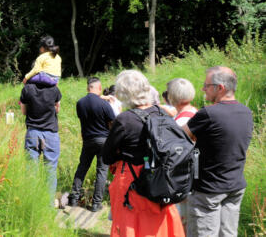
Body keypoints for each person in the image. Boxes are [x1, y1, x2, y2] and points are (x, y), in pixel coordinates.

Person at [103, 70, 184, 236]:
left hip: (132, 181)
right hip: (161, 180)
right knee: (157, 226)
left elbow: (107, 155)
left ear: (123, 93)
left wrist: (121, 153)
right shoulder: (163, 113)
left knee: (131, 225)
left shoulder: (125, 119)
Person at [182, 66, 253, 237]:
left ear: (220, 88)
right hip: (235, 186)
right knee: (228, 234)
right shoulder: (246, 112)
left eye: (206, 85)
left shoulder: (209, 113)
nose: (203, 89)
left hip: (208, 189)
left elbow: (181, 135)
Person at [68, 77, 115, 212]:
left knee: (82, 168)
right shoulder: (104, 104)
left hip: (87, 140)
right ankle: (96, 204)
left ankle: (73, 199)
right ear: (99, 88)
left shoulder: (80, 103)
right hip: (103, 141)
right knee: (101, 171)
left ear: (88, 87)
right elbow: (112, 123)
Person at [20, 75, 62, 201]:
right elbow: (57, 109)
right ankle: (48, 205)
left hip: (33, 131)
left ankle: (32, 202)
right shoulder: (54, 89)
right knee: (50, 169)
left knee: (31, 169)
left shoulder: (27, 89)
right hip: (51, 132)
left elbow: (23, 112)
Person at [165, 78, 198, 232]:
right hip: (190, 174)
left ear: (173, 96)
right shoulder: (194, 112)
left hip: (182, 176)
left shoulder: (183, 120)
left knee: (181, 221)